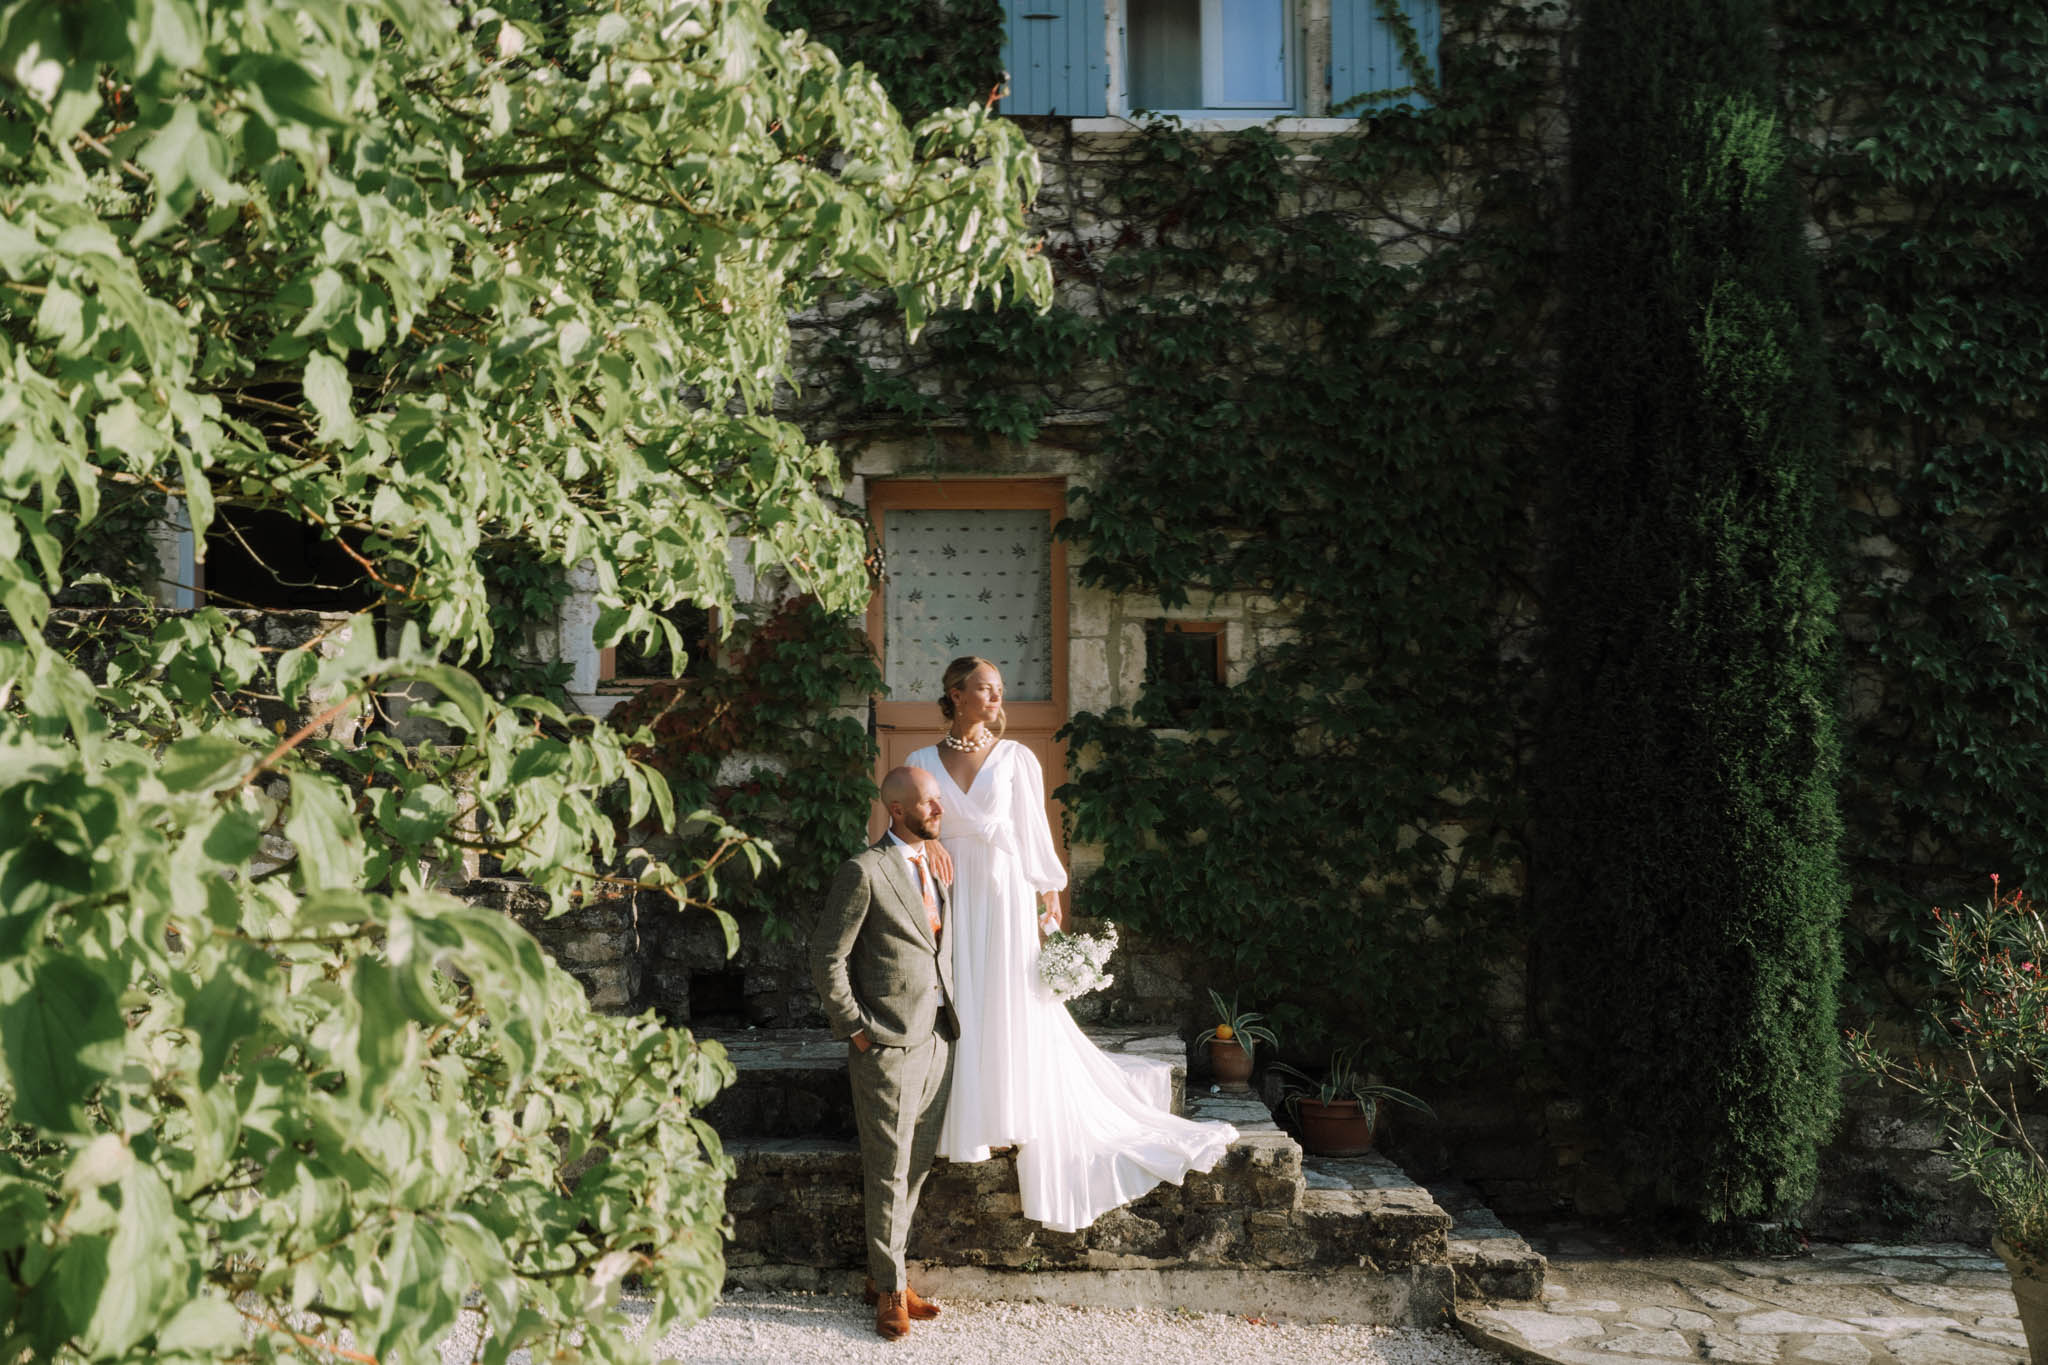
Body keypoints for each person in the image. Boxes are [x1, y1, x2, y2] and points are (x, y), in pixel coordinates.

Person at [908, 656, 1237, 1233]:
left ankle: (1010, 1109)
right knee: (959, 993)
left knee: (1008, 993)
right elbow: (904, 826)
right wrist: (922, 847)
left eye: (1000, 690)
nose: (995, 698)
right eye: (984, 689)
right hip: (949, 889)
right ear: (955, 694)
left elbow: (1034, 830)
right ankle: (962, 1115)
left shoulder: (1016, 757)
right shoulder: (918, 761)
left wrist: (1047, 894)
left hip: (1006, 889)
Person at [809, 765, 959, 1340]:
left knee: (915, 1165)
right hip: (886, 1044)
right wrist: (855, 1028)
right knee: (888, 1169)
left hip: (938, 1036)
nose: (939, 811)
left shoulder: (933, 863)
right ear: (897, 810)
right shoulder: (863, 871)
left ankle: (885, 1275)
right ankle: (890, 1292)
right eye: (929, 803)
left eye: (939, 800)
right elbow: (827, 956)